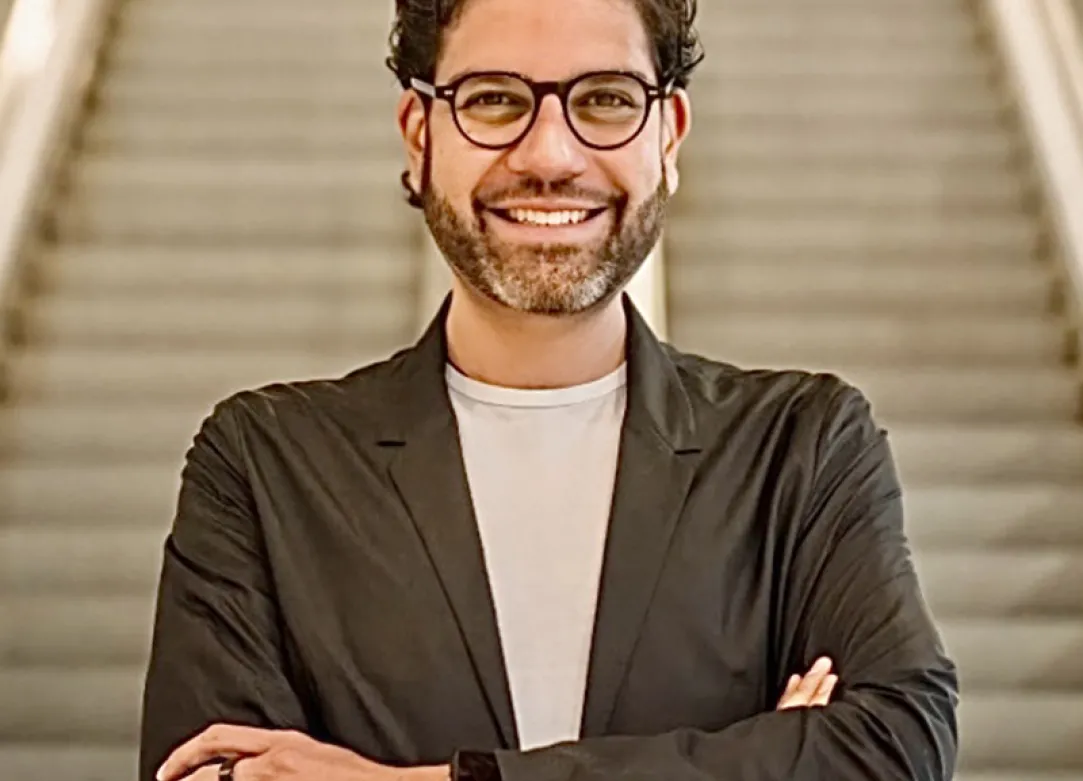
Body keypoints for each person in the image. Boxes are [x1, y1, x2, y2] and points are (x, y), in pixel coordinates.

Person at [139, 0, 959, 779]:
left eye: (605, 99)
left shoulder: (802, 449)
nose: (550, 157)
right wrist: (761, 756)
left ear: (668, 136)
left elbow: (892, 747)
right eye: (493, 100)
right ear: (419, 135)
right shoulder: (265, 465)